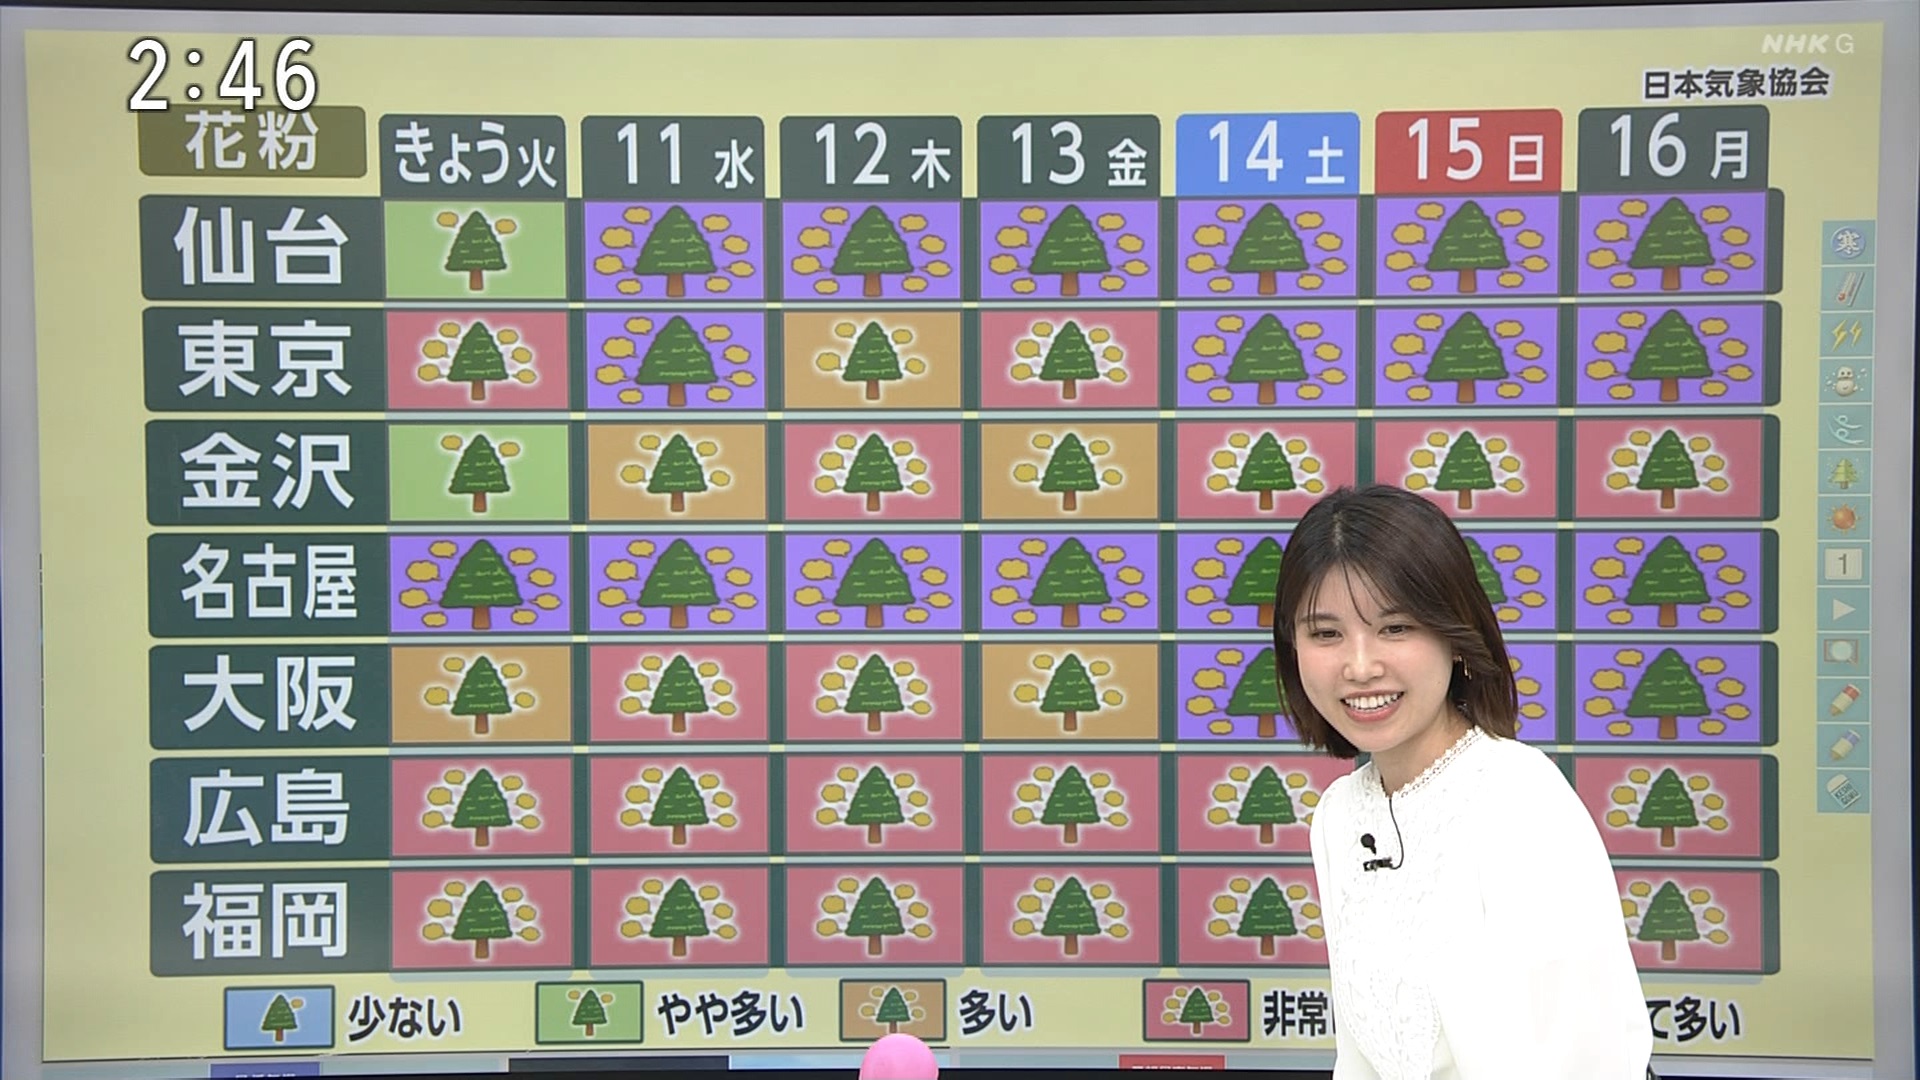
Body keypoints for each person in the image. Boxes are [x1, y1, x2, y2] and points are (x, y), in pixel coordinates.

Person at [1270, 484, 1653, 1080]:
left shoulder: (1520, 799)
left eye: (1396, 627)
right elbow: (1360, 1059)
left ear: (1455, 636)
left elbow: (1585, 1060)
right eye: (1326, 634)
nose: (1361, 666)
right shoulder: (1340, 814)